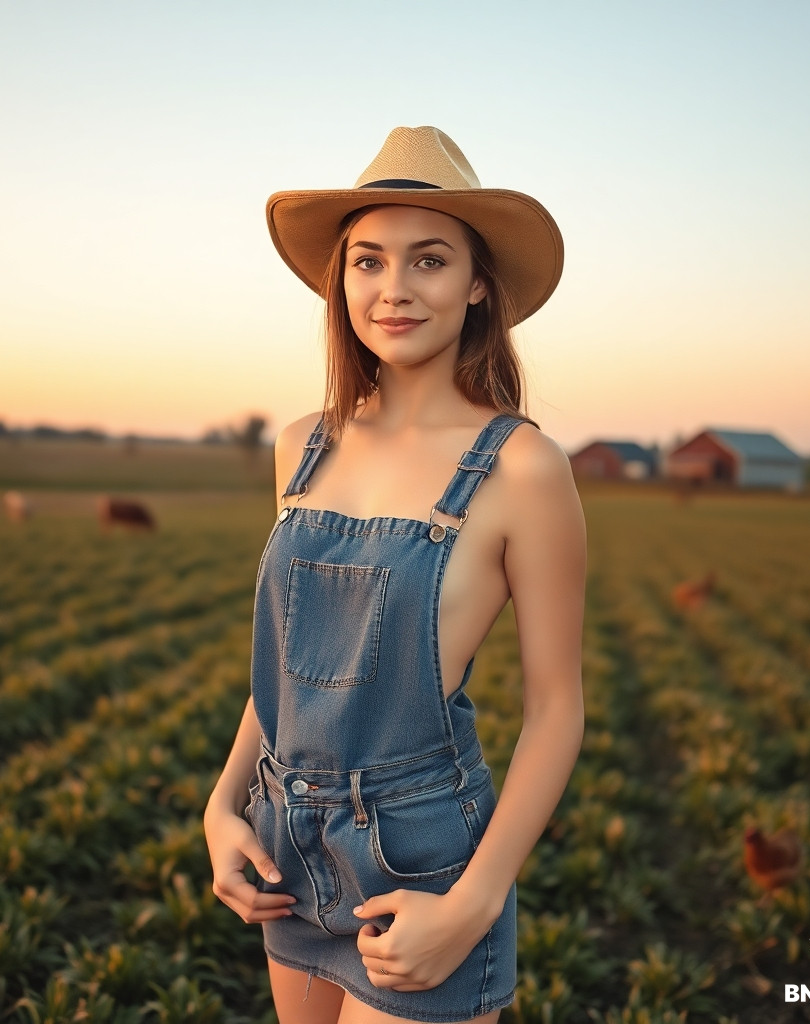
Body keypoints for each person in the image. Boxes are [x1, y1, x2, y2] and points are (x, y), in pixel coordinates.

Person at [204, 126, 586, 1024]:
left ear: (477, 283)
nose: (395, 289)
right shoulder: (302, 445)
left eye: (430, 260)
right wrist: (224, 808)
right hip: (285, 839)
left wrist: (474, 902)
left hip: (421, 857)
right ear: (342, 280)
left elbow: (558, 707)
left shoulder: (522, 468)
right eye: (369, 261)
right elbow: (293, 673)